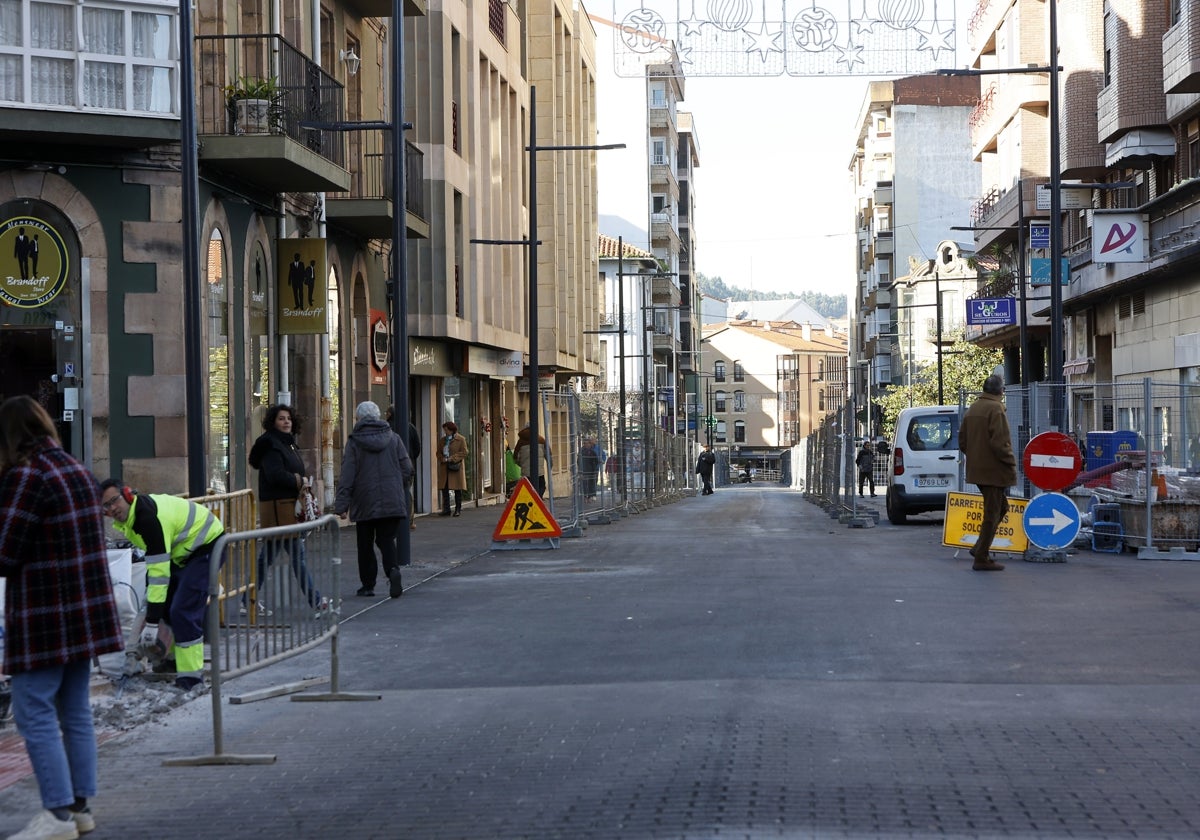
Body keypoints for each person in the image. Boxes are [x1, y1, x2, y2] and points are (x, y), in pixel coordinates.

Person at [0, 396, 123, 840]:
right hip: (83, 612)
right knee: (74, 711)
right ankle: (80, 807)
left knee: (32, 710)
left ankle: (56, 815)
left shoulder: (26, 475)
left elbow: (5, 552)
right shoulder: (76, 469)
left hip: (45, 614)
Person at [100, 478, 224, 689]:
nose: (112, 508)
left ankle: (191, 678)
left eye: (114, 500)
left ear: (128, 495)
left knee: (183, 611)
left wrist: (151, 622)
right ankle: (170, 661)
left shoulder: (147, 518)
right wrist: (153, 615)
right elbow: (156, 563)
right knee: (166, 605)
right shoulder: (130, 519)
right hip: (181, 552)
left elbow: (159, 573)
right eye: (106, 505)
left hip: (206, 546)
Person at [246, 404, 326, 616]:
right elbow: (275, 475)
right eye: (281, 418)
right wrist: (298, 480)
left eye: (288, 418)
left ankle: (248, 599)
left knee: (267, 558)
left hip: (284, 508)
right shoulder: (271, 445)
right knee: (296, 557)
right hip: (279, 510)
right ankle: (316, 602)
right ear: (273, 421)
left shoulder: (287, 444)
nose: (286, 421)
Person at [334, 401, 413, 599]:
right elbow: (407, 468)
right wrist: (396, 484)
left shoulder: (354, 442)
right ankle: (392, 570)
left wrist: (342, 505)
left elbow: (347, 475)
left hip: (364, 500)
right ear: (378, 416)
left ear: (359, 418)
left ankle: (367, 585)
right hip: (391, 499)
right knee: (386, 540)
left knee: (365, 543)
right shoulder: (394, 439)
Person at [958, 374, 1017, 572]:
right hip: (994, 470)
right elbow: (1001, 443)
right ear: (1000, 390)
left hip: (978, 469)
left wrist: (976, 457)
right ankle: (981, 557)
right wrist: (1010, 462)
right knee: (992, 513)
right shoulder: (996, 408)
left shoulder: (974, 408)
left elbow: (963, 442)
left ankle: (979, 548)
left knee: (1000, 508)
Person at [386, 405, 421, 535]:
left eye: (387, 412)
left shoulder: (387, 427)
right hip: (408, 465)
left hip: (391, 466)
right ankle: (409, 520)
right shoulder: (410, 426)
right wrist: (410, 459)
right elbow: (417, 447)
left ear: (390, 414)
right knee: (406, 491)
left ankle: (393, 520)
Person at [436, 421, 469, 515]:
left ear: (452, 430)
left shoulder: (461, 439)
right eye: (444, 430)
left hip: (455, 467)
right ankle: (446, 509)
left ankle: (458, 509)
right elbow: (438, 452)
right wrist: (442, 458)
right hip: (445, 467)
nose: (445, 432)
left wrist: (452, 458)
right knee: (444, 488)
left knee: (457, 489)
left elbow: (464, 452)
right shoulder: (442, 440)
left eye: (447, 430)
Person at [513, 424, 547, 496]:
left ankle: (532, 500)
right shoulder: (541, 439)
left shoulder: (520, 442)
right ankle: (537, 499)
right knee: (542, 486)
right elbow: (548, 454)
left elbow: (515, 456)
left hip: (526, 472)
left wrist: (522, 464)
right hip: (539, 472)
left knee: (527, 489)